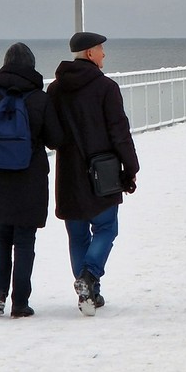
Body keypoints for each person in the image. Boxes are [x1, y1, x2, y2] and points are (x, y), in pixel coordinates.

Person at [0, 43, 63, 319]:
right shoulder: (40, 99)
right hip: (30, 177)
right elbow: (56, 139)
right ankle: (20, 303)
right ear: (31, 66)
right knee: (24, 241)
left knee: (1, 236)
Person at [48, 32, 141, 316]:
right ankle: (89, 277)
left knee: (77, 235)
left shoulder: (54, 90)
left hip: (69, 173)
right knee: (106, 228)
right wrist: (131, 167)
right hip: (103, 171)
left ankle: (89, 294)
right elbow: (119, 131)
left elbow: (51, 137)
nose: (103, 55)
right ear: (89, 53)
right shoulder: (106, 88)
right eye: (100, 50)